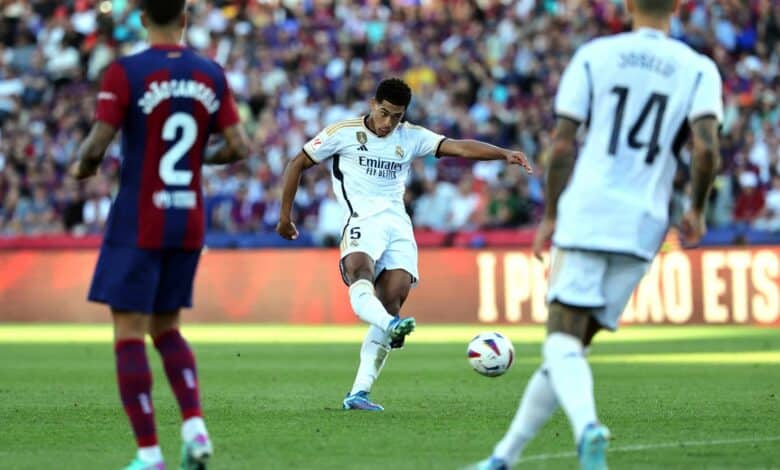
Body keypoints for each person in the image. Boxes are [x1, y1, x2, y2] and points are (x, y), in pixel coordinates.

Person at [470, 0, 723, 468]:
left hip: (591, 210)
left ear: (627, 5)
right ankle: (503, 458)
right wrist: (697, 208)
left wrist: (550, 215)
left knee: (560, 340)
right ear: (678, 7)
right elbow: (706, 149)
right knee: (570, 349)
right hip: (646, 222)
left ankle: (588, 428)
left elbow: (563, 143)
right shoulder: (699, 68)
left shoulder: (595, 55)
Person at [276, 78, 532, 411]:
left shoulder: (410, 137)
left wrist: (503, 154)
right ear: (372, 104)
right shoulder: (343, 132)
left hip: (397, 226)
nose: (388, 123)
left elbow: (459, 146)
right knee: (359, 273)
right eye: (384, 113)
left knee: (391, 300)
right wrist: (285, 217)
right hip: (361, 221)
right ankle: (391, 327)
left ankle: (359, 393)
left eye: (396, 116)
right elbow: (297, 163)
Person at [69, 1, 248, 469]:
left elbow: (96, 143)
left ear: (143, 17)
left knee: (129, 332)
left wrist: (83, 167)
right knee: (167, 328)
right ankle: (195, 427)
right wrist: (197, 163)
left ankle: (149, 455)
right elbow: (240, 146)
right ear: (185, 19)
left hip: (139, 216)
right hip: (188, 216)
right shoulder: (211, 73)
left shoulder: (125, 72)